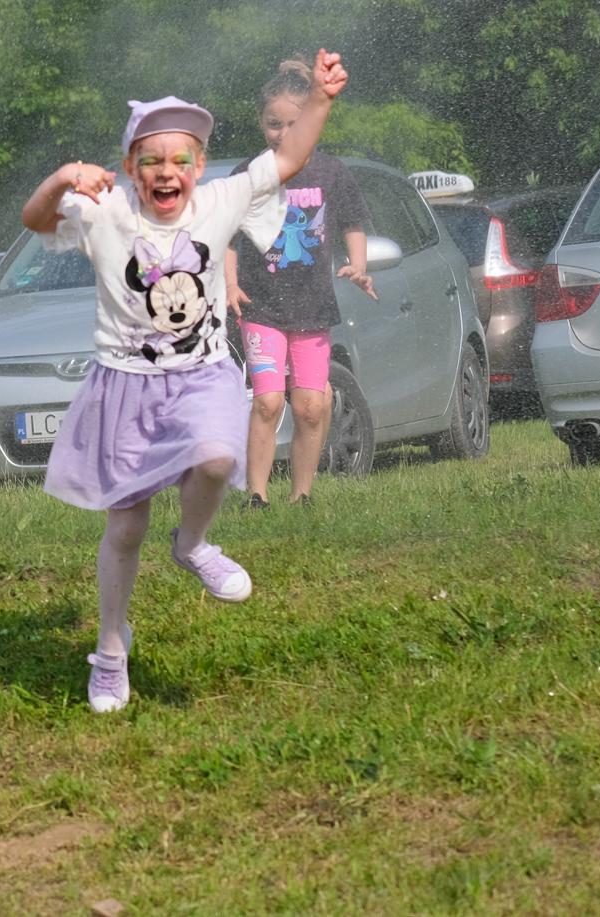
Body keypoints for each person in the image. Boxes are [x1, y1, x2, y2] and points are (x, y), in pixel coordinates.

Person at [19, 50, 348, 715]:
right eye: (151, 161)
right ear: (130, 168)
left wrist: (320, 97)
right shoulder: (106, 211)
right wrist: (62, 178)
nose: (166, 172)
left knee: (218, 457)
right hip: (125, 386)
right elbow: (35, 220)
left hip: (200, 375)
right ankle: (110, 650)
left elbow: (288, 159)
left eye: (180, 160)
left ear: (199, 166)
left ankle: (193, 543)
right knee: (125, 527)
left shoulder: (221, 200)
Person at [224, 61, 375, 507]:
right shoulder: (248, 174)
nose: (283, 133)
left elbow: (353, 225)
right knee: (268, 402)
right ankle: (256, 495)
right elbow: (228, 238)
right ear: (261, 122)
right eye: (274, 124)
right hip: (261, 307)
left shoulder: (331, 173)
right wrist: (230, 285)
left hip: (313, 307)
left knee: (311, 406)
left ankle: (301, 495)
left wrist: (359, 265)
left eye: (294, 124)